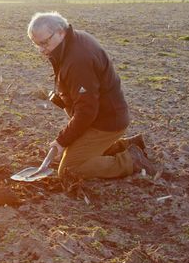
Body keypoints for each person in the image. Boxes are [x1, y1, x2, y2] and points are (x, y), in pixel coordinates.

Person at [26, 11, 155, 180]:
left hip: (105, 122)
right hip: (101, 116)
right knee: (75, 149)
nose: (42, 50)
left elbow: (87, 112)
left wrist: (62, 141)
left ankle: (131, 160)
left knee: (70, 168)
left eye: (44, 43)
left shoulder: (78, 59)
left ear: (60, 32)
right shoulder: (73, 40)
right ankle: (128, 145)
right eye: (37, 45)